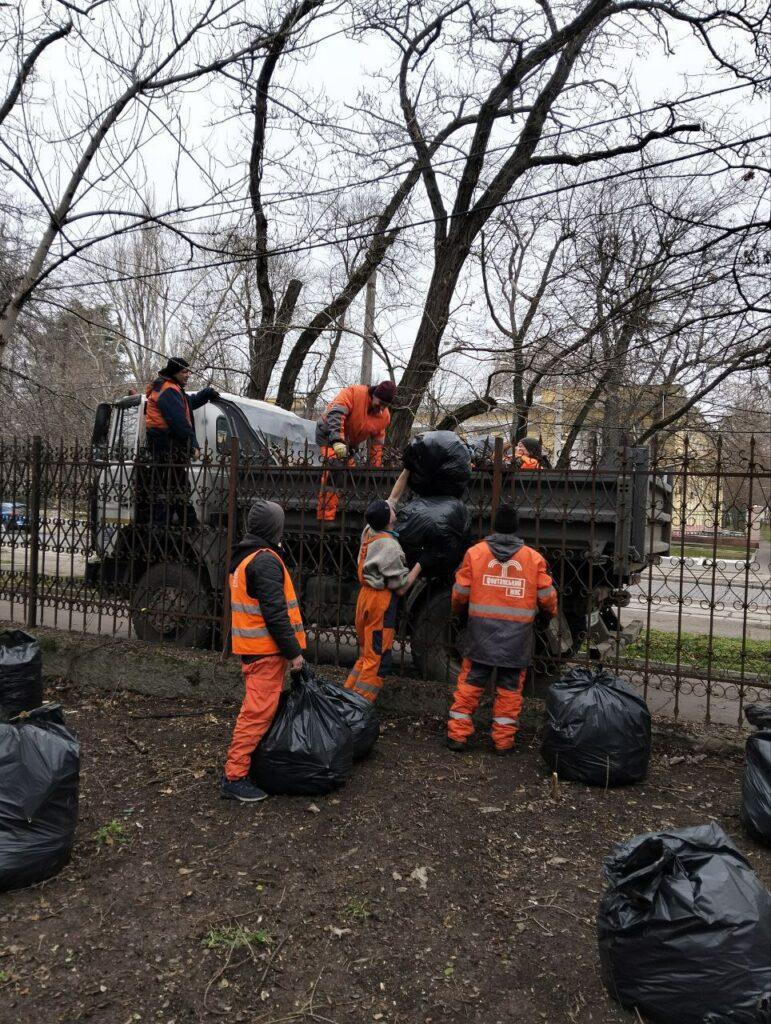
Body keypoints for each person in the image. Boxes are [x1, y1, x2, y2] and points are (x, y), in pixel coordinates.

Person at [446, 499, 557, 755]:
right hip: (517, 637)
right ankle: (503, 742)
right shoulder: (533, 558)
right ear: (516, 529)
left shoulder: (475, 554)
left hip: (480, 634)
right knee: (509, 690)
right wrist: (547, 616)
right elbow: (548, 597)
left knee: (470, 685)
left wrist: (458, 613)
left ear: (494, 528)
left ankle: (457, 736)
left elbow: (460, 593)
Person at [221, 500, 306, 802]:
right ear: (274, 528)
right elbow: (275, 614)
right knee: (256, 714)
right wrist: (294, 652)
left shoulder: (248, 557)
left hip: (258, 651)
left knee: (258, 711)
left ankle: (242, 768)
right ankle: (235, 776)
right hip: (265, 652)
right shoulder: (265, 560)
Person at [344, 480, 423, 702]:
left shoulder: (370, 532)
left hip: (365, 598)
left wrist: (407, 471)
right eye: (391, 509)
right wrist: (421, 564)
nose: (393, 506)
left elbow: (393, 497)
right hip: (381, 603)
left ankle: (346, 697)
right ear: (389, 519)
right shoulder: (391, 548)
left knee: (366, 655)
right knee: (377, 661)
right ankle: (358, 707)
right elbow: (400, 589)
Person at [144, 356, 219, 526]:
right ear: (175, 372)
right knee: (169, 488)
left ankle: (188, 523)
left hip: (168, 447)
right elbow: (178, 421)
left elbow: (186, 404)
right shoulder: (168, 389)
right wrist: (193, 444)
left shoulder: (171, 388)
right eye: (185, 371)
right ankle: (161, 529)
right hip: (166, 445)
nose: (188, 375)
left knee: (177, 486)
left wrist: (205, 394)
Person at [315, 381, 397, 521]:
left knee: (350, 472)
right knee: (336, 468)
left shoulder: (384, 416)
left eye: (386, 405)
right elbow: (335, 415)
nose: (382, 408)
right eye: (380, 403)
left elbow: (377, 444)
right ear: (374, 394)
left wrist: (374, 468)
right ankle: (325, 518)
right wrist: (337, 441)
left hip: (349, 443)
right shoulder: (353, 393)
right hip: (328, 435)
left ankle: (342, 508)